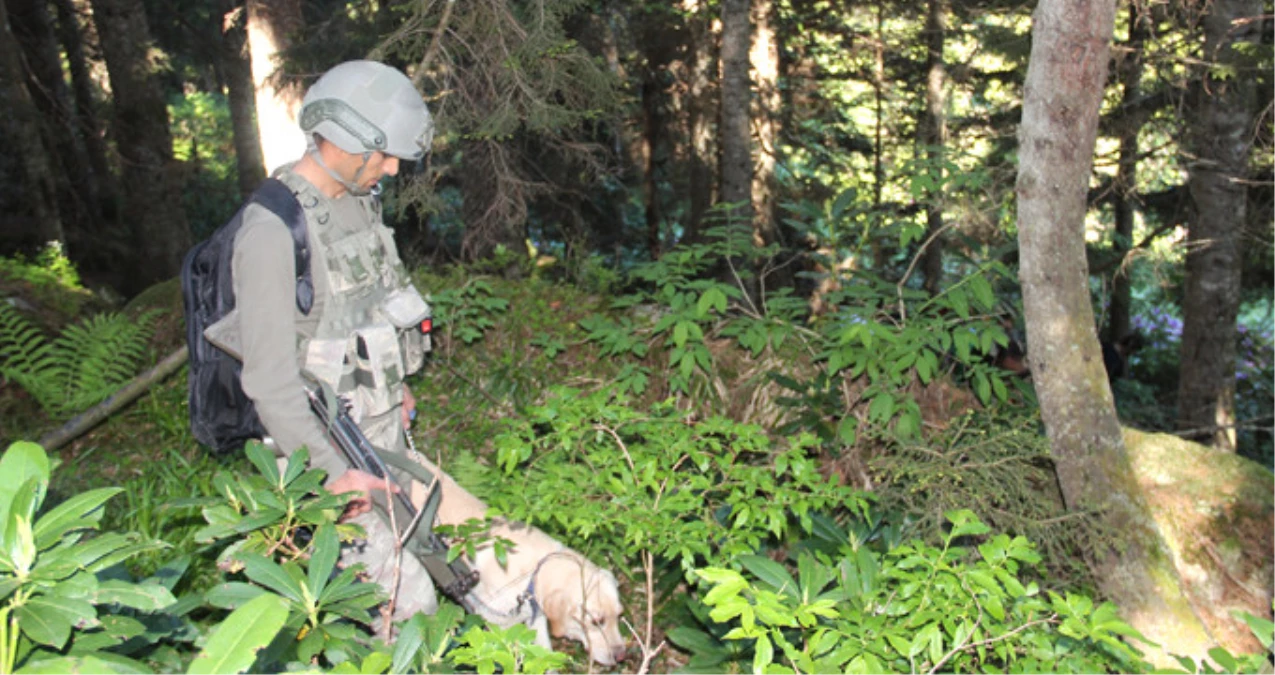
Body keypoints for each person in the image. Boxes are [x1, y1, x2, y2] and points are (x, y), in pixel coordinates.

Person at [218, 60, 439, 620]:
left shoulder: (359, 202)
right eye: (383, 154)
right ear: (343, 140)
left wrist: (397, 387)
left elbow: (376, 304)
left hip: (379, 430)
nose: (390, 168)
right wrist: (331, 476)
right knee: (406, 608)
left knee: (418, 555)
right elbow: (269, 379)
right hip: (325, 453)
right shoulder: (272, 233)